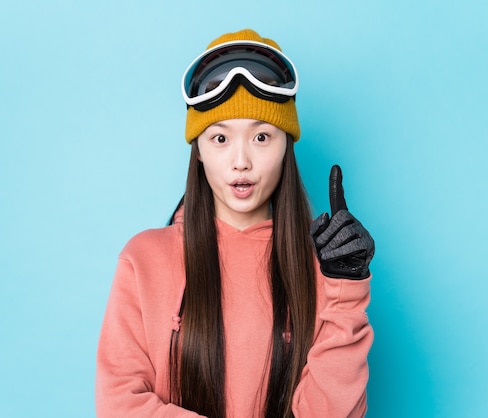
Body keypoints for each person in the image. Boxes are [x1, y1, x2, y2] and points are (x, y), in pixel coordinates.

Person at [96, 28, 375, 418]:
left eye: (262, 137)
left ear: (285, 149)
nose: (240, 160)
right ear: (198, 152)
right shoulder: (142, 260)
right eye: (220, 139)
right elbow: (119, 404)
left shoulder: (322, 264)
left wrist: (346, 293)